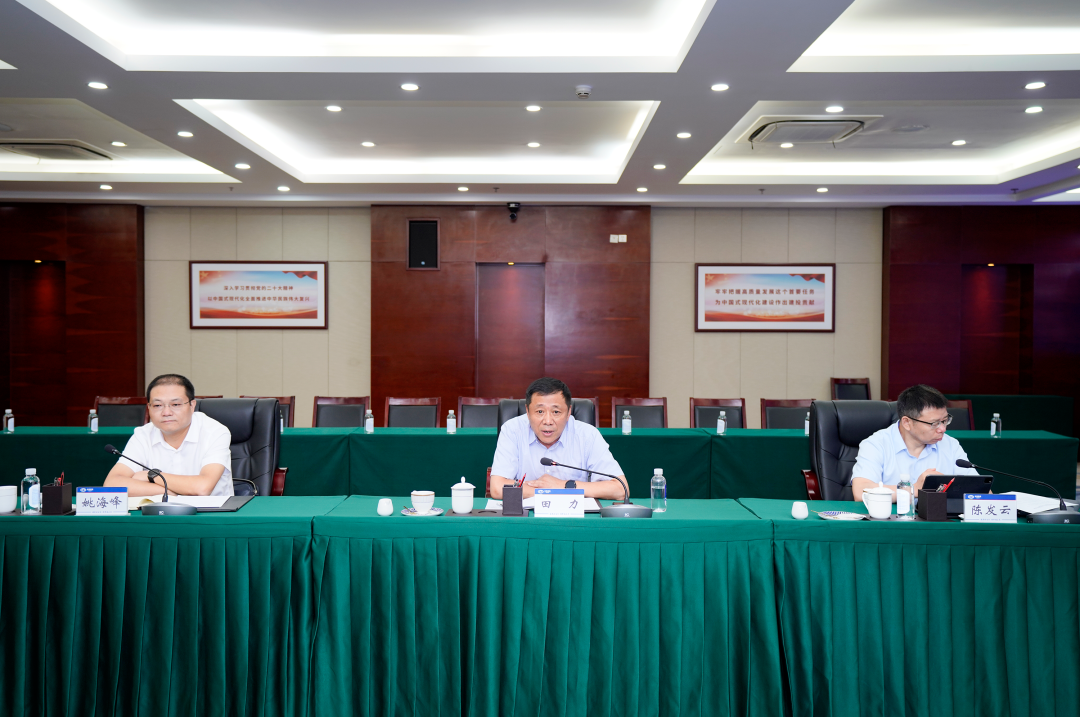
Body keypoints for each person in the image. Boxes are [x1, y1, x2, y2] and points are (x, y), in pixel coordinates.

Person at [489, 377, 626, 500]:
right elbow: (497, 488)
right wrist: (549, 491)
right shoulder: (512, 431)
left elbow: (620, 489)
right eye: (540, 411)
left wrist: (562, 485)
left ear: (569, 412)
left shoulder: (588, 435)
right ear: (527, 411)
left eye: (556, 412)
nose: (548, 421)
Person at [104, 374, 234, 497]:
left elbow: (202, 487)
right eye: (157, 405)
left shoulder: (215, 432)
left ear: (192, 406)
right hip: (159, 511)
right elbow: (112, 484)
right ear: (149, 408)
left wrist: (152, 476)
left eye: (175, 404)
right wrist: (170, 492)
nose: (166, 412)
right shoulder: (143, 435)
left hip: (212, 512)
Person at [850, 383, 977, 501]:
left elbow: (978, 488)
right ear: (907, 423)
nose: (942, 429)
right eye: (934, 423)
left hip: (938, 517)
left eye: (945, 420)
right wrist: (913, 489)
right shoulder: (876, 444)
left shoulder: (950, 444)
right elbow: (861, 491)